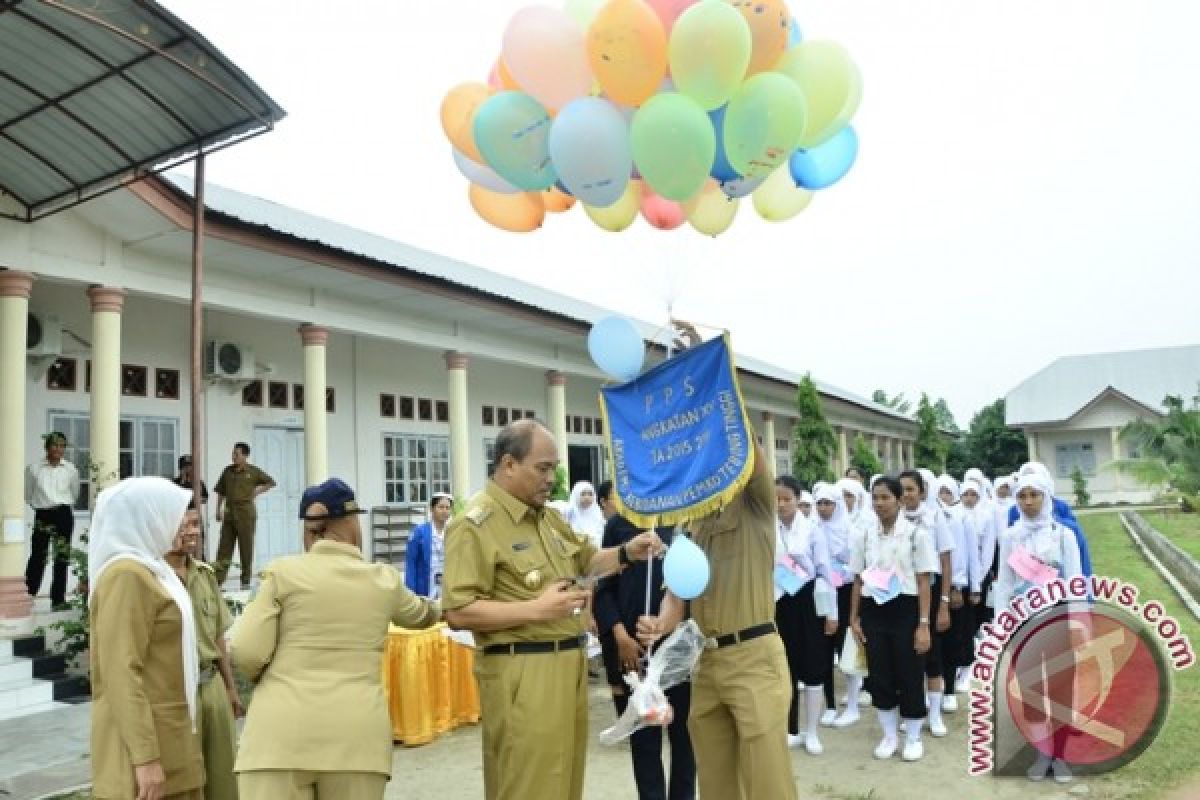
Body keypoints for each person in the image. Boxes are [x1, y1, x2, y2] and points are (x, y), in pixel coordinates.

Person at [442, 420, 663, 800]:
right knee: (528, 785)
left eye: (553, 469)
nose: (551, 479)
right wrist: (536, 609)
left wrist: (627, 552)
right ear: (509, 464)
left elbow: (587, 561)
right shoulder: (475, 524)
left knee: (564, 783)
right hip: (522, 671)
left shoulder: (548, 519)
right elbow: (459, 610)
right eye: (542, 468)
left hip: (567, 665)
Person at [233, 478, 442, 799]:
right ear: (351, 524)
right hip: (355, 743)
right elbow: (425, 614)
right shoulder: (383, 581)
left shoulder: (280, 574)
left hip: (278, 740)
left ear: (310, 531)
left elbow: (246, 651)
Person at [637, 448, 796, 799]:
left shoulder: (754, 503)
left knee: (768, 783)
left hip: (754, 657)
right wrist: (660, 624)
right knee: (715, 783)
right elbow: (677, 595)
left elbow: (749, 451)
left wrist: (711, 404)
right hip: (706, 664)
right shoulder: (687, 523)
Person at [89, 477, 204, 800]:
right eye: (173, 513)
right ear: (147, 517)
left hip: (173, 741)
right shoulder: (127, 576)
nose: (183, 524)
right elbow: (120, 672)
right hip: (145, 761)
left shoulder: (154, 571)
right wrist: (146, 758)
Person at [594, 480, 696, 800]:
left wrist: (669, 625)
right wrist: (620, 634)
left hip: (677, 650)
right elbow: (603, 590)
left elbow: (691, 587)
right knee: (644, 740)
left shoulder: (682, 524)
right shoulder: (617, 526)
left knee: (683, 738)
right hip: (632, 653)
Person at [993, 470, 1083, 784]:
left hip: (1057, 621)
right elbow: (1004, 584)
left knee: (1060, 689)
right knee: (1030, 689)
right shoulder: (1009, 537)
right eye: (1022, 496)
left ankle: (1060, 755)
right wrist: (1002, 624)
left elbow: (1075, 583)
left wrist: (1079, 625)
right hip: (1023, 624)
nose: (1028, 502)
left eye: (1035, 495)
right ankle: (1041, 751)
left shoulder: (1063, 535)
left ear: (1047, 496)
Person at [848, 476, 938, 763]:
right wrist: (854, 618)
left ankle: (912, 736)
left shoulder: (916, 535)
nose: (879, 503)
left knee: (910, 672)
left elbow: (924, 582)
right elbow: (857, 580)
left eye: (885, 497)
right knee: (880, 673)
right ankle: (889, 735)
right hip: (874, 608)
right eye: (875, 498)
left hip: (906, 609)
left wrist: (924, 624)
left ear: (899, 500)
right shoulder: (864, 535)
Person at [165, 507, 242, 800]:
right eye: (182, 524)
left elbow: (218, 636)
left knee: (223, 776)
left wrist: (230, 688)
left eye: (195, 524)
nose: (191, 531)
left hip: (212, 687)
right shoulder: (153, 578)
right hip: (177, 691)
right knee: (187, 778)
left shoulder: (204, 575)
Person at [775, 476, 837, 754]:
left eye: (786, 499)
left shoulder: (813, 529)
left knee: (813, 665)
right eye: (776, 498)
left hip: (808, 601)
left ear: (798, 499)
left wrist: (831, 612)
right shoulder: (767, 529)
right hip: (778, 601)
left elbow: (825, 572)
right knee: (783, 666)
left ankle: (812, 732)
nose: (781, 504)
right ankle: (790, 729)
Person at [899, 470, 954, 737]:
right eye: (902, 489)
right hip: (901, 597)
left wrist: (943, 602)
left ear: (922, 492)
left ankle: (934, 714)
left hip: (929, 596)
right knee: (907, 657)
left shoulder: (934, 518)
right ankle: (913, 710)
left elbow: (945, 561)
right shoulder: (893, 519)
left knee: (932, 657)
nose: (906, 494)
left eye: (911, 489)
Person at [815, 484, 865, 729]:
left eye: (828, 503)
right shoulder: (812, 528)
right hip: (822, 593)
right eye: (820, 503)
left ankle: (853, 705)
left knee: (847, 649)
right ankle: (830, 705)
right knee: (823, 650)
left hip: (845, 593)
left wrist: (840, 573)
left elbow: (858, 566)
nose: (823, 509)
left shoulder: (851, 530)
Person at [934, 475, 981, 705]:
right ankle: (932, 688)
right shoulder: (919, 517)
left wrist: (966, 587)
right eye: (939, 490)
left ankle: (950, 689)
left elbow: (968, 555)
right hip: (924, 586)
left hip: (952, 585)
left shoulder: (959, 517)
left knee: (952, 638)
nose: (943, 496)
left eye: (947, 491)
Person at [1006, 462, 1093, 577]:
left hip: (1059, 585)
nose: (1028, 502)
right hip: (1023, 586)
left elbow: (1080, 563)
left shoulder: (1066, 527)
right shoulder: (1014, 513)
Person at [25, 431, 80, 609]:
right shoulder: (34, 469)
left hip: (63, 514)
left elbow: (75, 493)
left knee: (61, 556)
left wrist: (60, 505)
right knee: (37, 556)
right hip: (43, 514)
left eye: (62, 445)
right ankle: (28, 595)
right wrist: (42, 506)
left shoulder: (70, 469)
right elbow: (28, 494)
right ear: (47, 447)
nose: (58, 449)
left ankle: (58, 599)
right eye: (55, 445)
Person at [213, 442, 276, 588]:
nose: (233, 456)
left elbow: (270, 482)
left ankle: (245, 580)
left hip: (246, 513)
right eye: (233, 453)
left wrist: (257, 491)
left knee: (246, 547)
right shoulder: (227, 471)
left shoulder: (253, 472)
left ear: (245, 456)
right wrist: (218, 510)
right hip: (229, 513)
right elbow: (221, 491)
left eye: (237, 454)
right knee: (224, 547)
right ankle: (218, 580)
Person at [405, 492, 454, 599]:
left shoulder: (453, 532)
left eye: (447, 508)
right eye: (441, 507)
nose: (445, 511)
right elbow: (411, 562)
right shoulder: (419, 532)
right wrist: (410, 591)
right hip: (425, 584)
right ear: (432, 509)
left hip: (446, 583)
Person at [565, 480, 606, 549]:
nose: (587, 497)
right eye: (583, 494)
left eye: (590, 494)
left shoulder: (599, 514)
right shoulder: (569, 514)